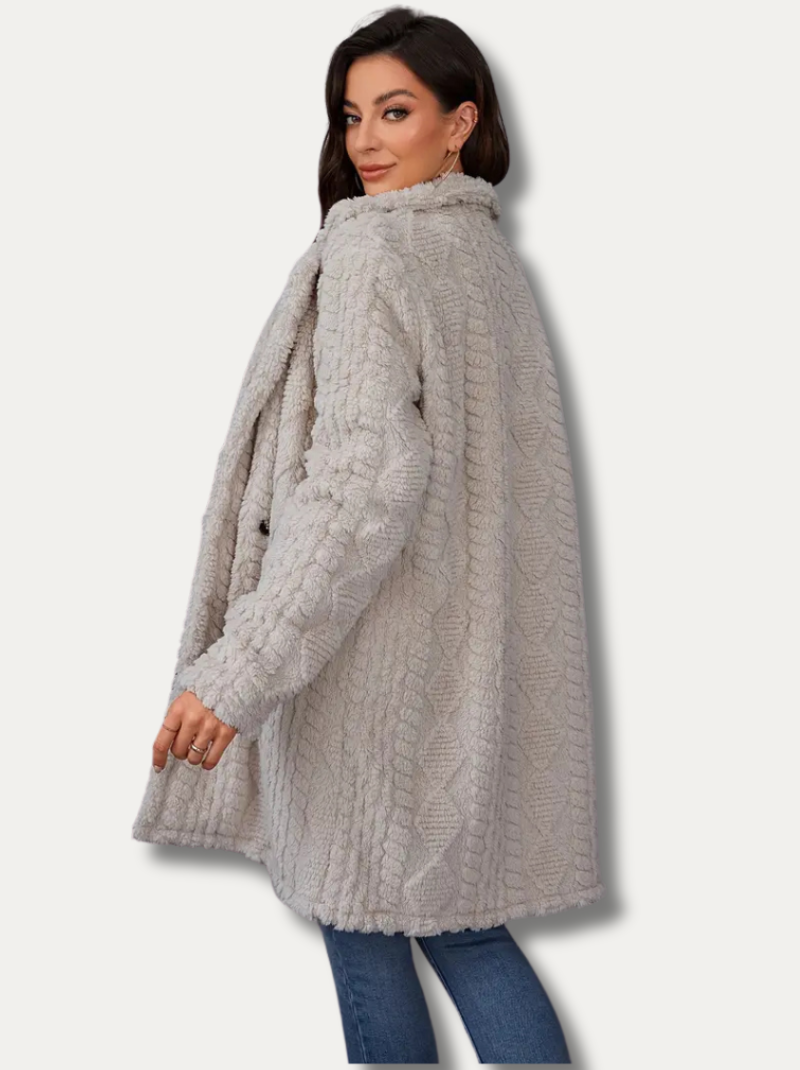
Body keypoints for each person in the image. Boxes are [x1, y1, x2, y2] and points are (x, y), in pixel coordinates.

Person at [133, 6, 603, 1064]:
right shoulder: (487, 261)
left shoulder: (371, 250)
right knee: (462, 924)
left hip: (364, 674)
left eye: (396, 111)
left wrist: (238, 669)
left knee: (369, 916)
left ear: (460, 123)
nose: (365, 142)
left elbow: (359, 480)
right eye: (351, 116)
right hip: (463, 670)